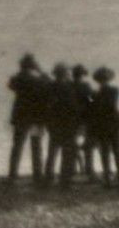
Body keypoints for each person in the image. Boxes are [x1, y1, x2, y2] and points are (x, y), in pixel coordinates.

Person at [6, 53, 49, 185]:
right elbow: (48, 82)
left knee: (17, 146)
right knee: (36, 146)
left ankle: (12, 175)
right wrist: (40, 70)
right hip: (36, 118)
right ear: (32, 66)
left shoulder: (18, 78)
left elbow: (10, 84)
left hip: (21, 117)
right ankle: (38, 175)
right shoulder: (38, 80)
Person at [42, 63, 84, 188]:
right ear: (65, 74)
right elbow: (73, 107)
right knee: (67, 153)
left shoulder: (49, 87)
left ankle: (48, 178)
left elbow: (45, 106)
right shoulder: (67, 88)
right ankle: (65, 181)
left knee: (52, 152)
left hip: (53, 124)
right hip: (67, 124)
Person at [89, 66, 119, 188]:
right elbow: (111, 106)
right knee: (117, 151)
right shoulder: (114, 90)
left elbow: (94, 108)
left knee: (105, 153)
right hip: (114, 124)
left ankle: (108, 179)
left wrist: (93, 98)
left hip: (102, 125)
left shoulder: (95, 94)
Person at [71, 64, 98, 182]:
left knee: (72, 144)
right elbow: (91, 100)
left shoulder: (69, 86)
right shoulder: (85, 86)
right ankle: (89, 170)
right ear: (82, 75)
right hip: (84, 119)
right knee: (88, 145)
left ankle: (73, 169)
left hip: (71, 119)